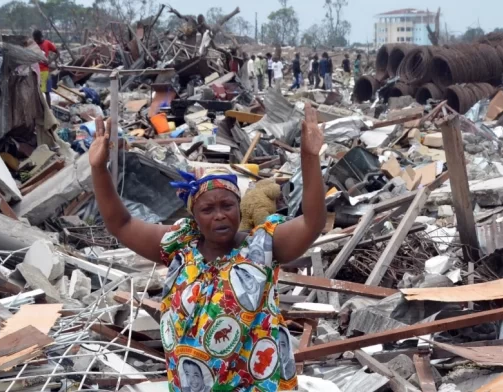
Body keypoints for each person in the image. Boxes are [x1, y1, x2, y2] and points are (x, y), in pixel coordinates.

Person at [87, 98, 326, 391]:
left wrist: (309, 156)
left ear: (239, 208)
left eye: (227, 205)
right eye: (207, 210)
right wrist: (98, 169)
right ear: (194, 217)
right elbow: (121, 224)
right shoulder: (181, 247)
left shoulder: (260, 247)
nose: (219, 215)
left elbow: (312, 223)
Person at [33, 30, 59, 106]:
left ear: (40, 38)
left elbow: (57, 53)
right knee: (36, 91)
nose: (36, 41)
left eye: (37, 39)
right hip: (35, 71)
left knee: (46, 91)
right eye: (35, 39)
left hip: (45, 71)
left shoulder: (47, 43)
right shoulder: (33, 45)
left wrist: (50, 61)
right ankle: (39, 108)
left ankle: (49, 109)